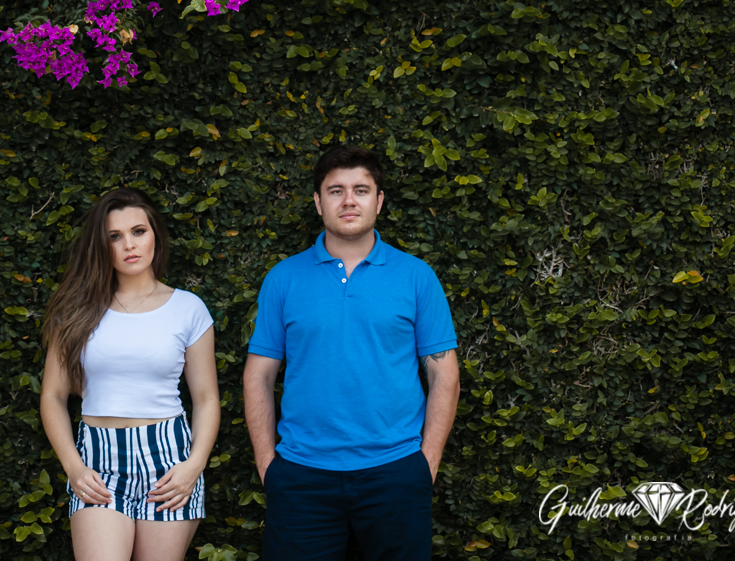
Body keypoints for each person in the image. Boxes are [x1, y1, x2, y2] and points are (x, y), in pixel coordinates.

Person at [243, 145, 461, 560]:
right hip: (302, 475)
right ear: (318, 202)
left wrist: (424, 464)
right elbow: (258, 376)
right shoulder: (284, 278)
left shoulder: (416, 277)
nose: (348, 200)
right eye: (335, 190)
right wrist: (268, 466)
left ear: (378, 201)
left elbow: (444, 376)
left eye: (361, 190)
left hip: (395, 471)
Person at [40, 187, 220, 561]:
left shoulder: (188, 309)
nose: (129, 245)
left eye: (139, 231)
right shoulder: (76, 310)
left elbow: (205, 399)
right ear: (101, 246)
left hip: (168, 462)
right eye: (115, 237)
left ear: (155, 234)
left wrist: (194, 465)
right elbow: (53, 396)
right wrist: (74, 467)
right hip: (99, 462)